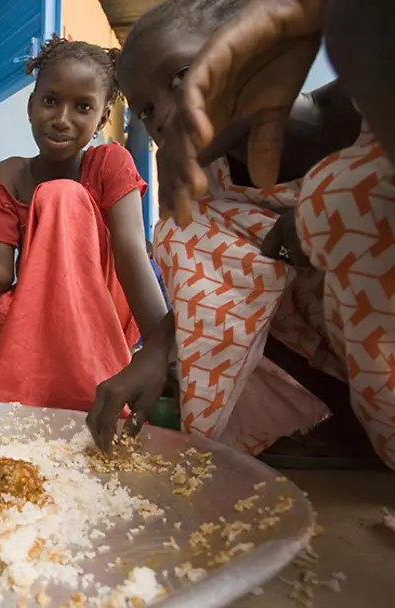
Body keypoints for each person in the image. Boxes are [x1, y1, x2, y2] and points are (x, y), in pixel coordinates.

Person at [88, 0, 391, 472]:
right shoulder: (210, 184)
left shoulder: (368, 102)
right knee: (181, 231)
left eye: (179, 77)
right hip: (333, 355)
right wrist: (158, 351)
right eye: (146, 109)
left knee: (341, 195)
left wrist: (309, 221)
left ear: (254, 49)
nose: (166, 113)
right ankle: (344, 424)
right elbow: (221, 287)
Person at [0, 36, 168, 410]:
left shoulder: (110, 162)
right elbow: (1, 269)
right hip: (39, 301)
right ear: (31, 106)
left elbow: (131, 253)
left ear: (103, 118)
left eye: (82, 107)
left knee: (61, 195)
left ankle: (83, 397)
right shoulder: (9, 174)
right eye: (50, 101)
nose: (62, 120)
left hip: (106, 304)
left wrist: (160, 348)